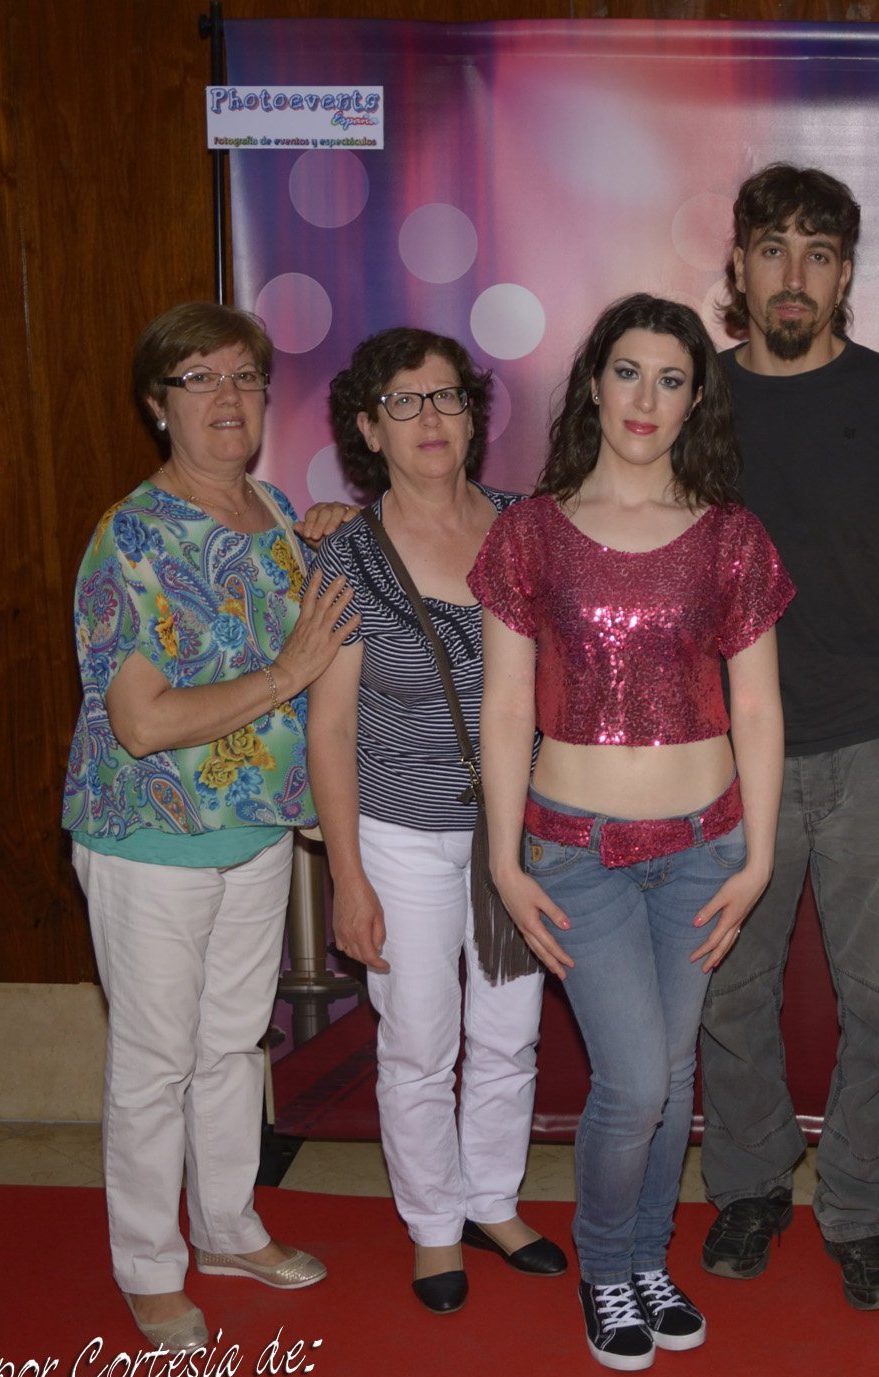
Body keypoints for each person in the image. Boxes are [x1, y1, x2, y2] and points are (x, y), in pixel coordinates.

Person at [472, 293, 792, 1371]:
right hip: (577, 854)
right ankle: (606, 1265)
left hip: (705, 849)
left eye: (670, 378)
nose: (645, 398)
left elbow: (758, 707)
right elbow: (506, 707)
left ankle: (649, 1258)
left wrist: (757, 855)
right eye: (626, 372)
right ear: (593, 387)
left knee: (672, 1071)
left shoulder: (732, 536)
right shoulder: (530, 533)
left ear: (696, 399)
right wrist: (504, 859)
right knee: (637, 1082)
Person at [694, 164, 879, 1312]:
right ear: (739, 265)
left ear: (845, 272)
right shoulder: (693, 400)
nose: (793, 274)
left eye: (817, 253)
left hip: (875, 747)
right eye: (772, 249)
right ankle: (749, 1185)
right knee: (729, 993)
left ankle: (862, 1209)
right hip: (724, 756)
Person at [61, 302, 353, 1350]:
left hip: (254, 832)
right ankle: (148, 1263)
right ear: (158, 405)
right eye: (199, 378)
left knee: (232, 1045)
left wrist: (330, 532)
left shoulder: (275, 509)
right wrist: (284, 673)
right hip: (149, 837)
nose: (228, 396)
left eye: (245, 377)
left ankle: (227, 1227)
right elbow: (140, 723)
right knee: (155, 1061)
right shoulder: (130, 537)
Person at [307, 327, 563, 1316]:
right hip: (399, 837)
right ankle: (433, 1224)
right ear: (368, 428)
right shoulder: (347, 553)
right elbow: (331, 728)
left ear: (474, 415)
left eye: (448, 396)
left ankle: (494, 1200)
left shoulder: (528, 530)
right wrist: (347, 876)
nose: (430, 418)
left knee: (510, 1032)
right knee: (418, 1039)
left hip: (515, 836)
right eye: (403, 401)